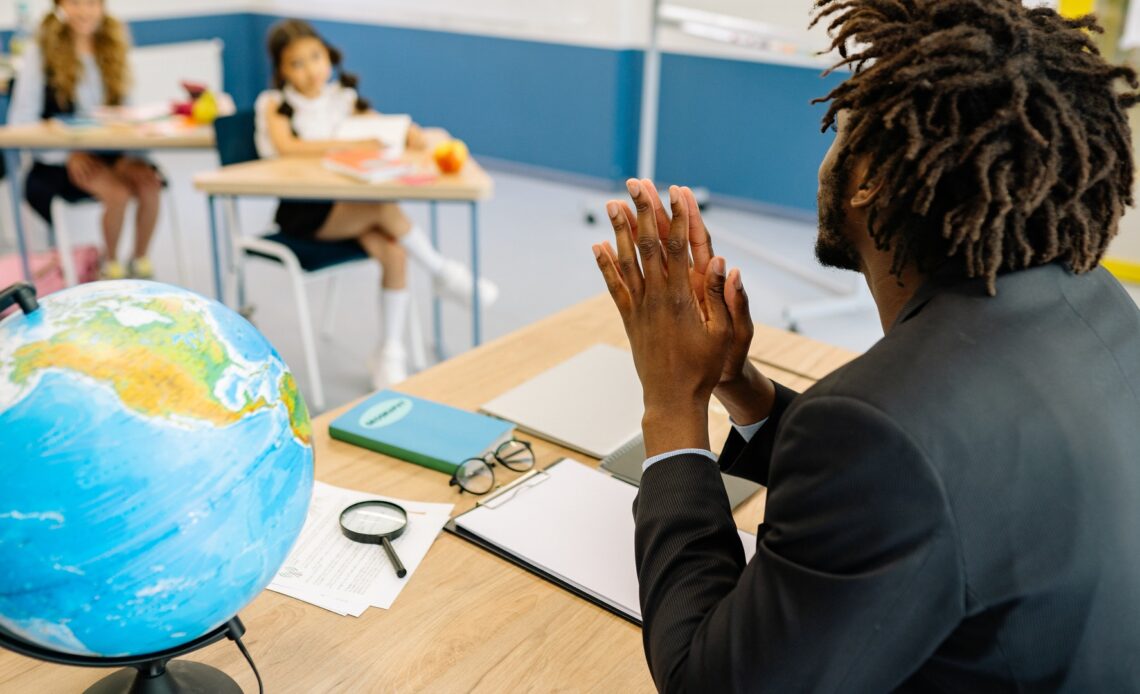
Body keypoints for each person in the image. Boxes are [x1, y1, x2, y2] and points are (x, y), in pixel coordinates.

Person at [592, 1, 1140, 690]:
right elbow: (947, 474)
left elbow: (708, 682)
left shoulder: (875, 429)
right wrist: (740, 387)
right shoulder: (1102, 309)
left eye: (846, 121)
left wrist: (671, 405)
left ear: (869, 176)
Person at [255, 18, 498, 389]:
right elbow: (288, 147)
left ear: (328, 56)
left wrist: (410, 134)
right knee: (382, 208)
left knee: (394, 253)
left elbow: (381, 127)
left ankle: (388, 353)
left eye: (315, 57)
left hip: (348, 206)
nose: (309, 70)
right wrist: (350, 144)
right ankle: (442, 273)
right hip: (304, 213)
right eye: (296, 63)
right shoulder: (274, 104)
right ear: (281, 69)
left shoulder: (342, 98)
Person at [8, 0, 163, 281]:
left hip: (112, 151)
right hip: (60, 160)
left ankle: (139, 262)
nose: (84, 11)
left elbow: (126, 110)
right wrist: (67, 153)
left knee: (148, 184)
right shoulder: (41, 50)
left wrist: (131, 155)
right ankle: (111, 267)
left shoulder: (114, 43)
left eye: (92, 3)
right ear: (60, 5)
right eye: (75, 3)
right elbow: (22, 121)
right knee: (118, 193)